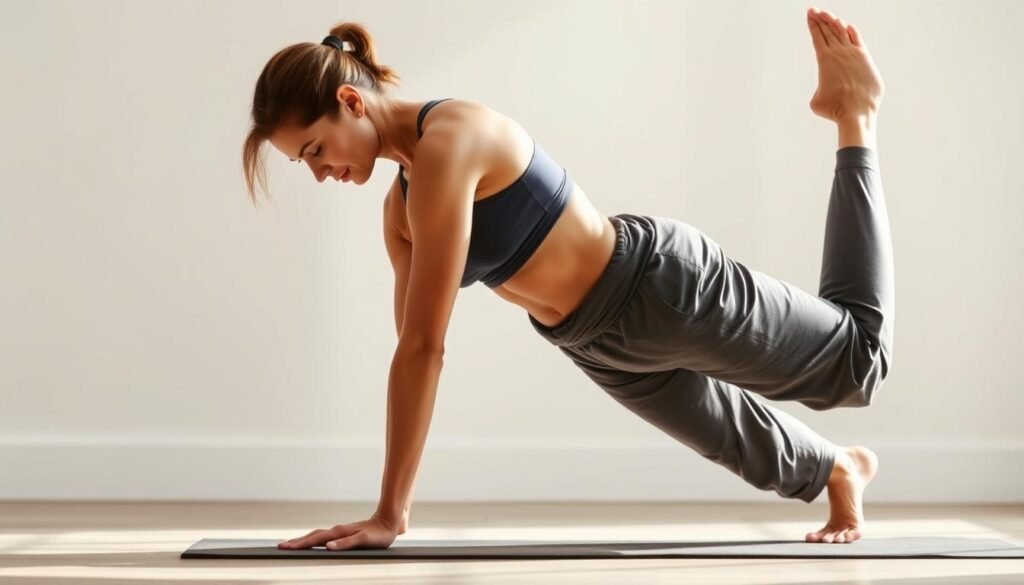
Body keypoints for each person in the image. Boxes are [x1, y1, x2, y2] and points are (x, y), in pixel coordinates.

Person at [243, 6, 891, 551]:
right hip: (591, 341)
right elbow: (412, 350)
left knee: (857, 364)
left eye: (315, 149)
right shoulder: (400, 212)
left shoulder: (451, 139)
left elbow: (424, 348)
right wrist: (389, 510)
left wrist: (390, 515)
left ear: (350, 102)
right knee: (734, 439)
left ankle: (853, 116)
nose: (318, 172)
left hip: (659, 287)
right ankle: (839, 468)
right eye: (304, 163)